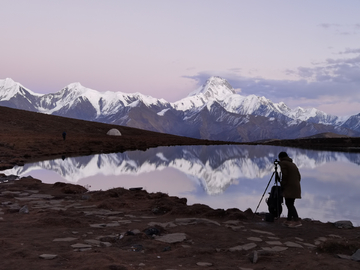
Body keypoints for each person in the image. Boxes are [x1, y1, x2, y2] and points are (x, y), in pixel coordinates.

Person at [278, 151, 302, 227]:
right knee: (290, 203)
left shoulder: (283, 163)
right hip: (296, 186)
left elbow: (284, 175)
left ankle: (296, 220)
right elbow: (299, 176)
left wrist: (282, 184)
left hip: (289, 186)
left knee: (289, 203)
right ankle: (289, 220)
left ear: (280, 158)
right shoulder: (292, 164)